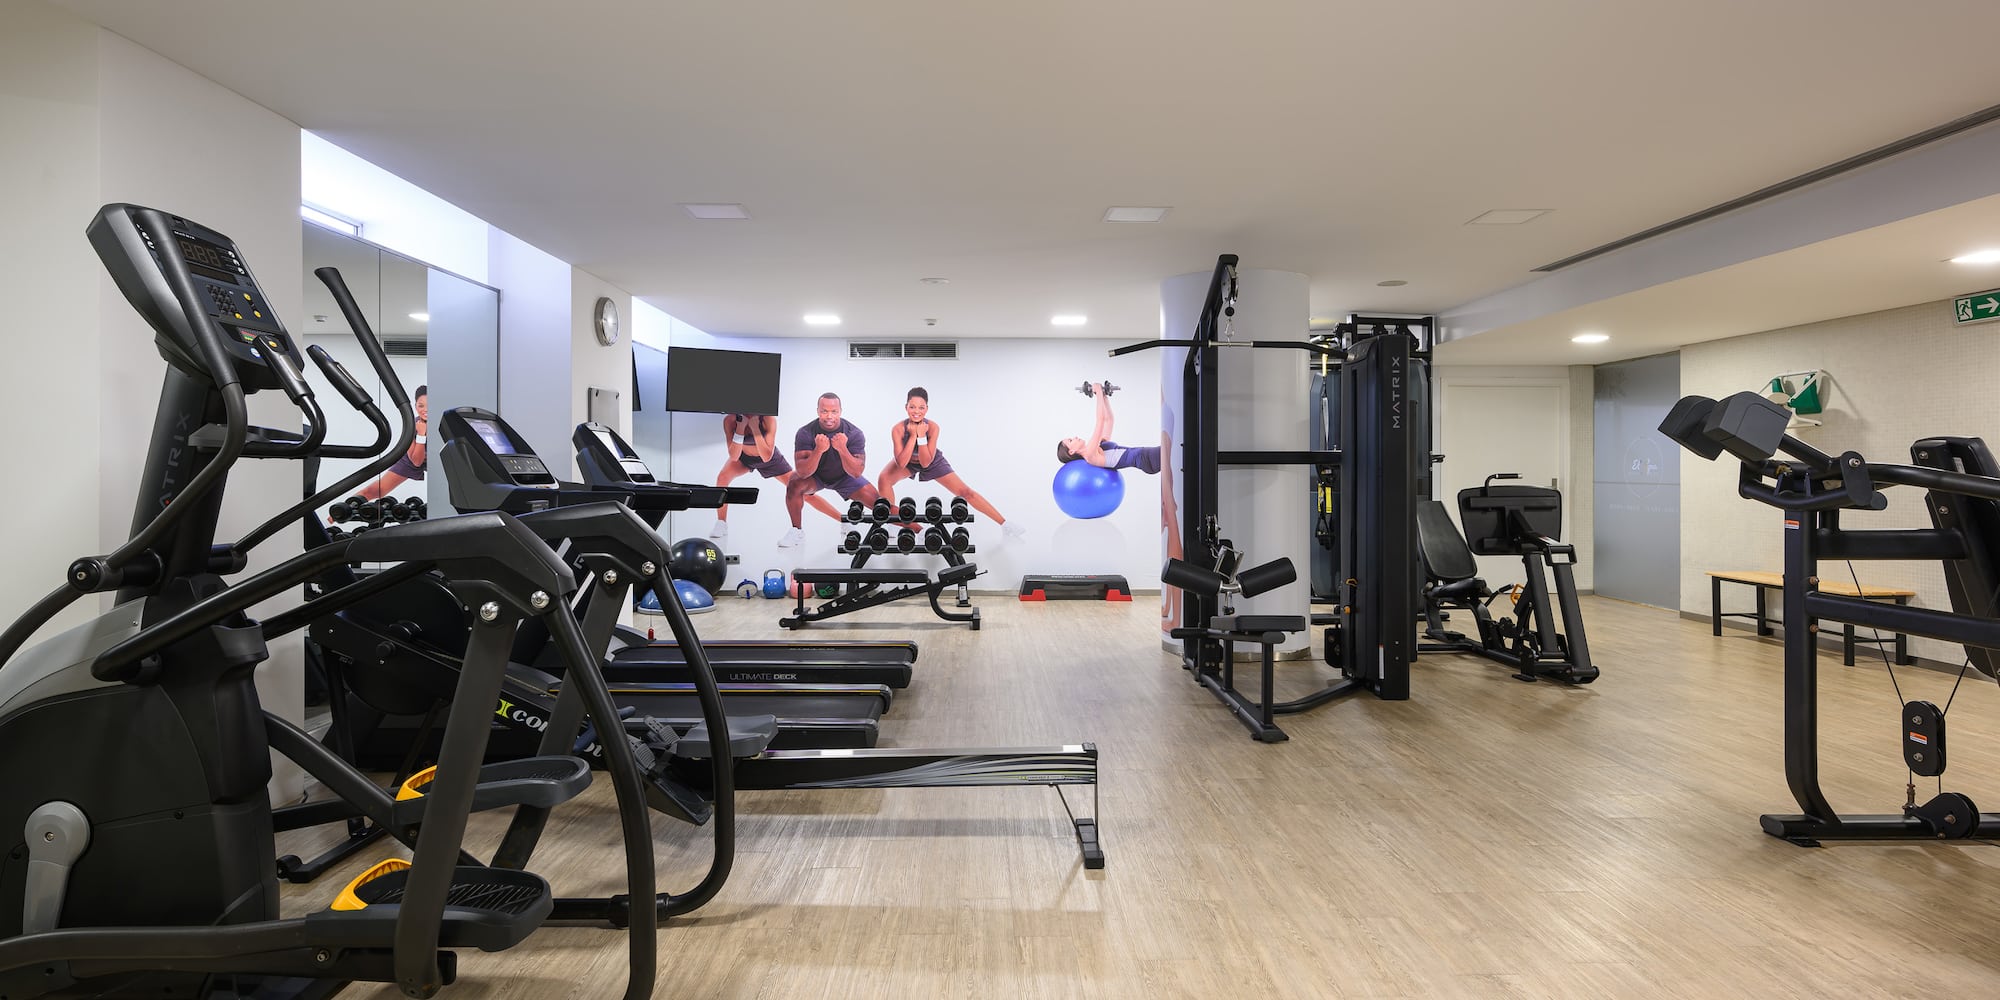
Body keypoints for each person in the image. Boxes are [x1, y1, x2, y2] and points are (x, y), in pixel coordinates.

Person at [877, 387, 1024, 538]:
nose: (916, 411)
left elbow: (926, 462)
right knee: (884, 478)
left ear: (926, 409)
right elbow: (901, 463)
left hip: (932, 460)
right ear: (906, 407)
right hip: (909, 462)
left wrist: (921, 436)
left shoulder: (933, 427)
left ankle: (1005, 525)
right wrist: (913, 435)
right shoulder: (898, 429)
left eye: (921, 407)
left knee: (966, 492)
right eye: (912, 406)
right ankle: (893, 523)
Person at [710, 412, 838, 542]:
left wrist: (755, 429)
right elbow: (734, 456)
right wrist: (740, 429)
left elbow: (766, 456)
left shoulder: (767, 419)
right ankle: (721, 523)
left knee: (802, 492)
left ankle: (842, 519)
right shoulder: (730, 420)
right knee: (722, 478)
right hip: (743, 458)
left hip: (770, 460)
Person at [782, 392, 882, 548]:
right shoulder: (805, 432)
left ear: (840, 411)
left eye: (834, 411)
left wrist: (842, 448)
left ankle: (920, 531)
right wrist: (818, 450)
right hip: (817, 476)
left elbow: (856, 472)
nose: (829, 416)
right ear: (818, 411)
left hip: (845, 476)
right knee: (794, 483)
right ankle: (797, 531)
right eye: (824, 411)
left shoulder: (854, 433)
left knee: (880, 505)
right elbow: (802, 472)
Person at [1056, 381, 1161, 474]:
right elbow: (1100, 421)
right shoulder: (1090, 455)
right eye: (1070, 440)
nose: (1074, 437)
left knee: (1175, 447)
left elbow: (1109, 420)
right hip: (1147, 459)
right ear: (1071, 451)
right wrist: (1098, 394)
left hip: (1147, 456)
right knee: (1175, 446)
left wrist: (1104, 397)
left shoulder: (1098, 445)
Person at [356, 384, 427, 502]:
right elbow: (416, 461)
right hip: (411, 458)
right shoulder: (412, 426)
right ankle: (332, 518)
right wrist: (421, 435)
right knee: (375, 491)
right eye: (421, 406)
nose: (425, 410)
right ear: (415, 406)